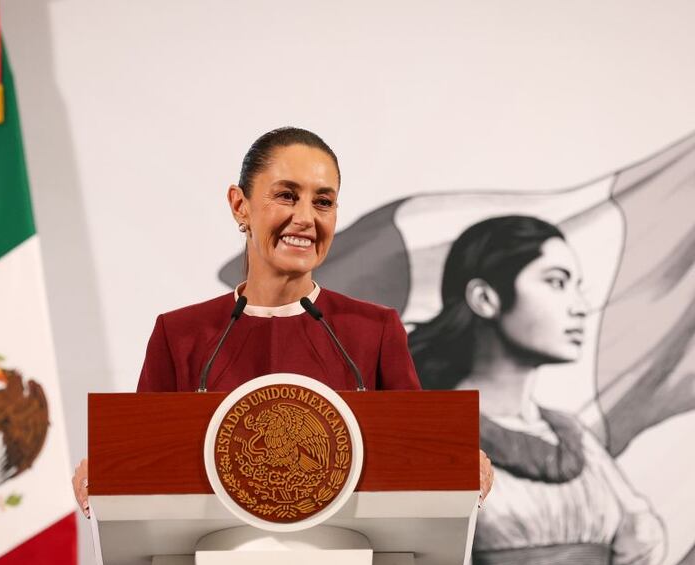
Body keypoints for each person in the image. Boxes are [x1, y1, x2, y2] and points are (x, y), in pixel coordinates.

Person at [71, 127, 495, 516]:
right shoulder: (181, 335)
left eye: (323, 201)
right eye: (287, 196)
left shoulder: (372, 330)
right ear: (241, 205)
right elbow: (146, 457)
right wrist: (112, 469)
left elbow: (417, 453)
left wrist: (454, 460)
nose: (306, 218)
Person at [411, 216, 695, 565]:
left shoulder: (576, 441)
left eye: (578, 285)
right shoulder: (427, 436)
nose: (581, 305)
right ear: (485, 298)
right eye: (557, 282)